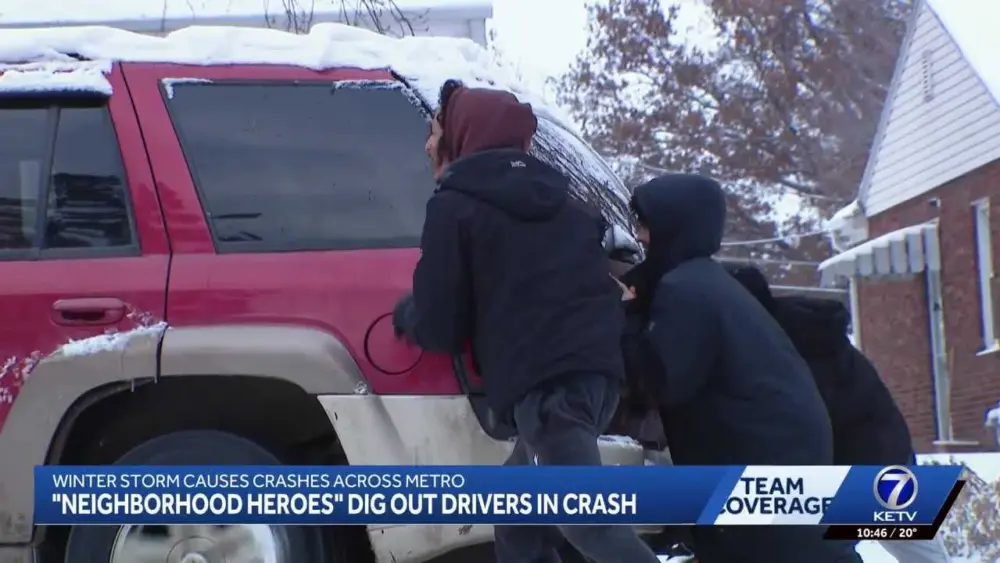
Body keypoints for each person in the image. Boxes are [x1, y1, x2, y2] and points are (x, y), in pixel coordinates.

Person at [392, 79, 660, 563]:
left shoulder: (454, 207)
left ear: (462, 136)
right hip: (596, 379)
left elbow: (440, 325)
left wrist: (408, 314)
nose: (428, 145)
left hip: (548, 390)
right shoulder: (571, 206)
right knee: (518, 519)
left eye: (434, 132)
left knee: (590, 525)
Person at [619, 172, 861, 563]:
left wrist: (628, 316)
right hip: (778, 447)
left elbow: (663, 380)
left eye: (646, 225)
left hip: (756, 456)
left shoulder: (685, 290)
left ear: (673, 226)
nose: (640, 237)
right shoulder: (707, 282)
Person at [726, 266, 952, 563]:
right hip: (884, 452)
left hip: (862, 461)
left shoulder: (787, 346)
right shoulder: (795, 330)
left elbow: (796, 422)